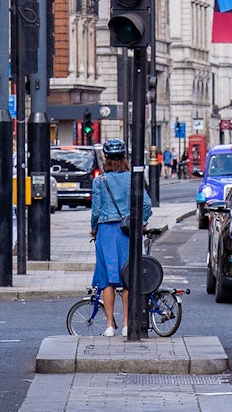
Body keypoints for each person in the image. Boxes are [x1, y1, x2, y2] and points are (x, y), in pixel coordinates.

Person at [90, 138, 153, 337]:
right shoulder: (132, 178)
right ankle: (127, 324)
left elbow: (96, 210)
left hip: (106, 233)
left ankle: (109, 325)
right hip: (127, 233)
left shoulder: (100, 181)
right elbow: (146, 204)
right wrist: (141, 222)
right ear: (124, 157)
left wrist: (93, 228)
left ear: (105, 158)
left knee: (106, 280)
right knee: (128, 278)